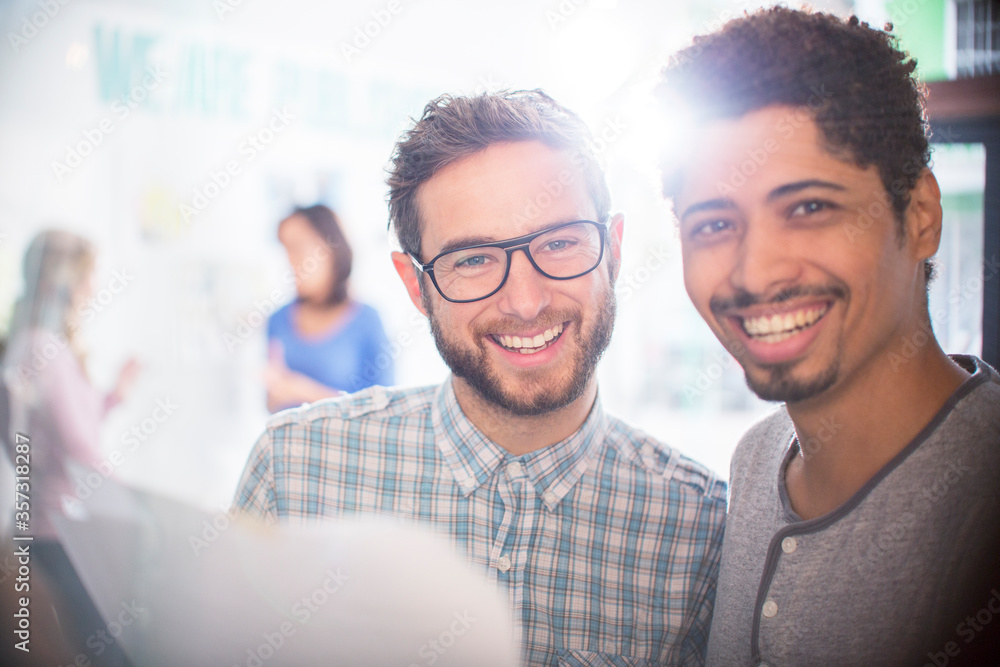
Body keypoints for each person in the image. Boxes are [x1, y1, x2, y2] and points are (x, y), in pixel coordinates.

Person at [233, 90, 727, 665]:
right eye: (472, 259)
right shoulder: (292, 472)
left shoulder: (702, 529)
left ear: (613, 250)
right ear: (416, 287)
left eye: (560, 242)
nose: (524, 301)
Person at [657, 8, 1000, 665]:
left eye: (809, 208)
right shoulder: (757, 458)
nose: (755, 271)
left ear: (921, 215)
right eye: (712, 224)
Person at [1, 229, 139, 665]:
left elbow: (58, 435)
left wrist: (113, 395)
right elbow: (80, 449)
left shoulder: (32, 345)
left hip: (37, 528)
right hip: (56, 533)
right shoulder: (46, 349)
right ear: (61, 280)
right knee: (109, 651)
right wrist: (138, 507)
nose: (92, 287)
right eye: (87, 275)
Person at [265, 204, 393, 412]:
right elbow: (271, 403)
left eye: (297, 247)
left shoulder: (368, 321)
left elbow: (386, 407)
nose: (289, 261)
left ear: (330, 249)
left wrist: (304, 392)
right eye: (285, 249)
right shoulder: (277, 320)